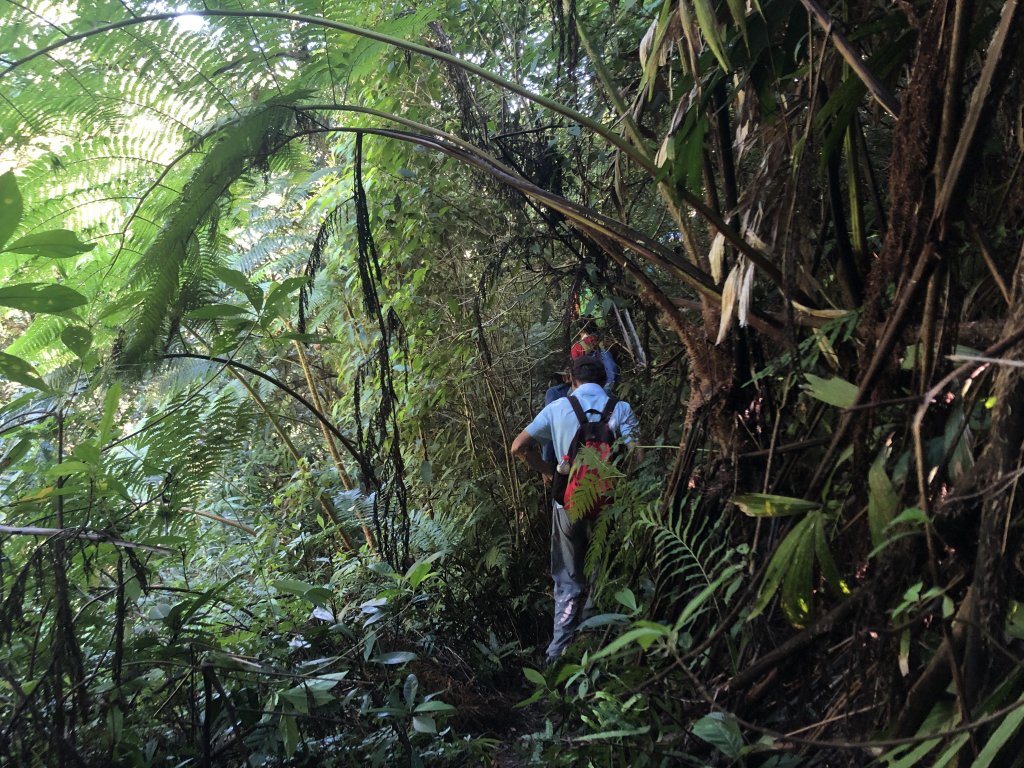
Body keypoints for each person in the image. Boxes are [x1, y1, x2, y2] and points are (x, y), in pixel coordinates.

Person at [510, 354, 639, 663]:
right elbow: (638, 459)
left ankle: (558, 654)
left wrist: (548, 470)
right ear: (603, 380)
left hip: (567, 503)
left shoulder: (557, 408)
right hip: (609, 504)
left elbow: (518, 446)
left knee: (568, 579)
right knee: (602, 574)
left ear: (573, 380)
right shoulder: (620, 409)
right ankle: (596, 652)